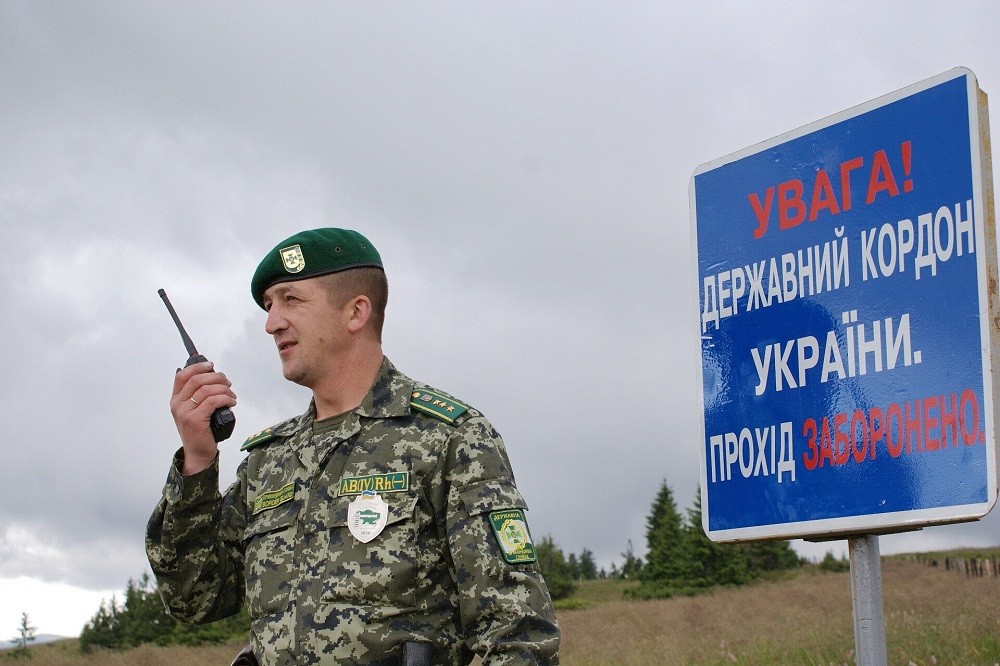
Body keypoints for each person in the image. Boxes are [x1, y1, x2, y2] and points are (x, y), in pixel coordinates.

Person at [146, 228, 560, 665]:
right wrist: (198, 460)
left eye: (291, 299)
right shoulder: (269, 462)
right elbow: (194, 597)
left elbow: (519, 636)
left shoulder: (448, 438)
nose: (271, 323)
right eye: (269, 306)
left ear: (355, 312)